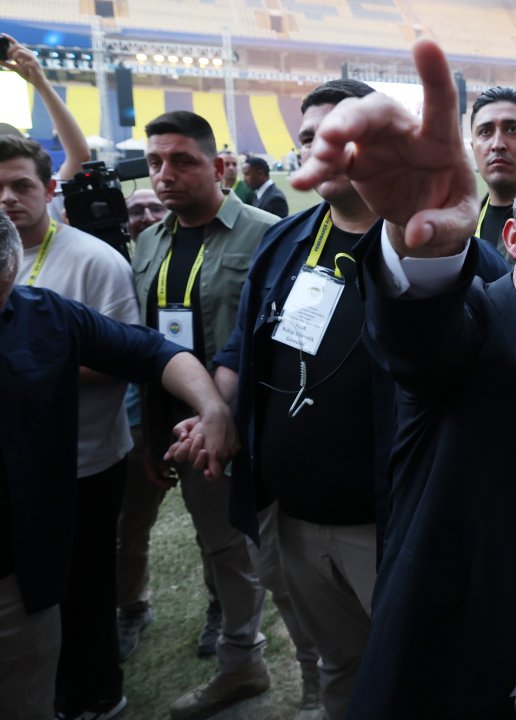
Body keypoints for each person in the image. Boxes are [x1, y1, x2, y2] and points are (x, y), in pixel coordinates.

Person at [291, 41, 516, 717]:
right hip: (439, 693)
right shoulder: (472, 329)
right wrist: (424, 244)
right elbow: (416, 337)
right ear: (513, 240)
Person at [211, 78, 508, 720]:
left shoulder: (454, 256)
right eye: (309, 138)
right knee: (339, 668)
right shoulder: (285, 241)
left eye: (340, 135)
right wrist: (219, 411)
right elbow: (245, 345)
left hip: (396, 530)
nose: (322, 149)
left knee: (418, 679)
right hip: (293, 520)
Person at [0, 208, 236, 720]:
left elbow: (153, 352)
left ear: (10, 268)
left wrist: (213, 407)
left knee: (26, 690)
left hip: (18, 575)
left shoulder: (44, 314)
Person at [132, 110, 280, 720]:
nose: (164, 175)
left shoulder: (269, 233)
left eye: (182, 161)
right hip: (175, 424)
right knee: (215, 542)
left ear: (218, 166)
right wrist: (149, 432)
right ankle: (235, 637)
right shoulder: (148, 242)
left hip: (241, 426)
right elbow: (145, 343)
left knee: (242, 549)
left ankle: (246, 658)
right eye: (154, 163)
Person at [0, 134, 137, 719]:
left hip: (85, 462)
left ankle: (97, 696)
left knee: (84, 589)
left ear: (50, 188)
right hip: (18, 471)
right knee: (29, 594)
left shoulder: (95, 260)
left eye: (21, 185)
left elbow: (125, 358)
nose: (7, 199)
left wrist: (32, 371)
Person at [115, 188, 179, 664]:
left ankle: (223, 609)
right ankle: (131, 605)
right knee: (126, 528)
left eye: (155, 208)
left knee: (215, 530)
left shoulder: (179, 261)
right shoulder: (113, 265)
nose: (146, 216)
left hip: (176, 413)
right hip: (126, 420)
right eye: (136, 210)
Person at [0, 33, 90, 182]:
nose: (8, 194)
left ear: (48, 189)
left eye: (21, 185)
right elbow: (80, 156)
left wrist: (40, 82)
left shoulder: (49, 192)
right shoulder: (42, 189)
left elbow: (79, 156)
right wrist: (40, 83)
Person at [471, 85, 516, 263]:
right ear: (473, 148)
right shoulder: (461, 229)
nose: (497, 144)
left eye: (512, 130)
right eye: (485, 132)